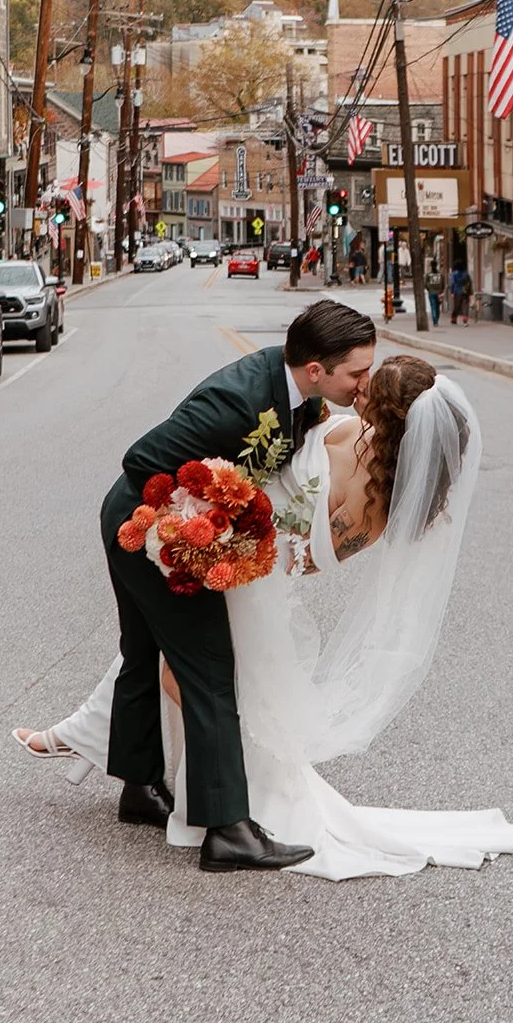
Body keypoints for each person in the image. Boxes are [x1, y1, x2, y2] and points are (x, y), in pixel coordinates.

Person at [13, 354, 513, 880]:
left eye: (372, 388)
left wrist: (238, 542)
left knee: (184, 673)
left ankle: (217, 797)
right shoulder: (350, 430)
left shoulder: (375, 505)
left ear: (393, 421)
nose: (360, 388)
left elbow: (311, 559)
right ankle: (113, 754)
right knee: (162, 648)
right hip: (226, 536)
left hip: (249, 572)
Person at [86, 298, 375, 874]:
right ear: (315, 369)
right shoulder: (238, 400)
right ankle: (227, 831)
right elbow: (141, 460)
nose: (363, 382)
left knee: (142, 653)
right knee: (210, 670)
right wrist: (203, 524)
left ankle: (138, 788)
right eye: (357, 373)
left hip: (138, 520)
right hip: (146, 527)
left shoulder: (298, 391)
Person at [424, 259, 445, 326]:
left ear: (431, 265)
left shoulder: (428, 274)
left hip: (431, 292)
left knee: (433, 306)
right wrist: (442, 290)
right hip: (439, 293)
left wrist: (428, 289)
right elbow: (443, 283)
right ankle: (437, 319)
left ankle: (435, 320)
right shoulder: (440, 274)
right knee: (437, 307)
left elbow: (425, 283)